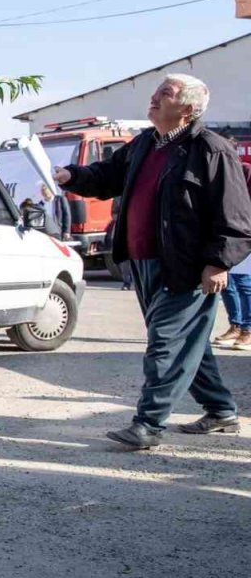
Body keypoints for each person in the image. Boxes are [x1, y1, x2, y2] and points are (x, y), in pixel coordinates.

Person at [55, 74, 251, 449]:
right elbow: (107, 176)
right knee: (187, 342)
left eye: (166, 93)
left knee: (166, 344)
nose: (154, 97)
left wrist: (218, 263)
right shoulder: (145, 142)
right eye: (157, 91)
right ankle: (221, 410)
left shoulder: (212, 150)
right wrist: (72, 176)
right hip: (142, 262)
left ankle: (148, 425)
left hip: (187, 266)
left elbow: (236, 216)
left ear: (188, 108)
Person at [214, 149, 251, 350]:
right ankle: (235, 325)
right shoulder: (216, 174)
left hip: (243, 235)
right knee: (227, 283)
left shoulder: (245, 171)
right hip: (224, 236)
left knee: (244, 283)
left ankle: (248, 329)